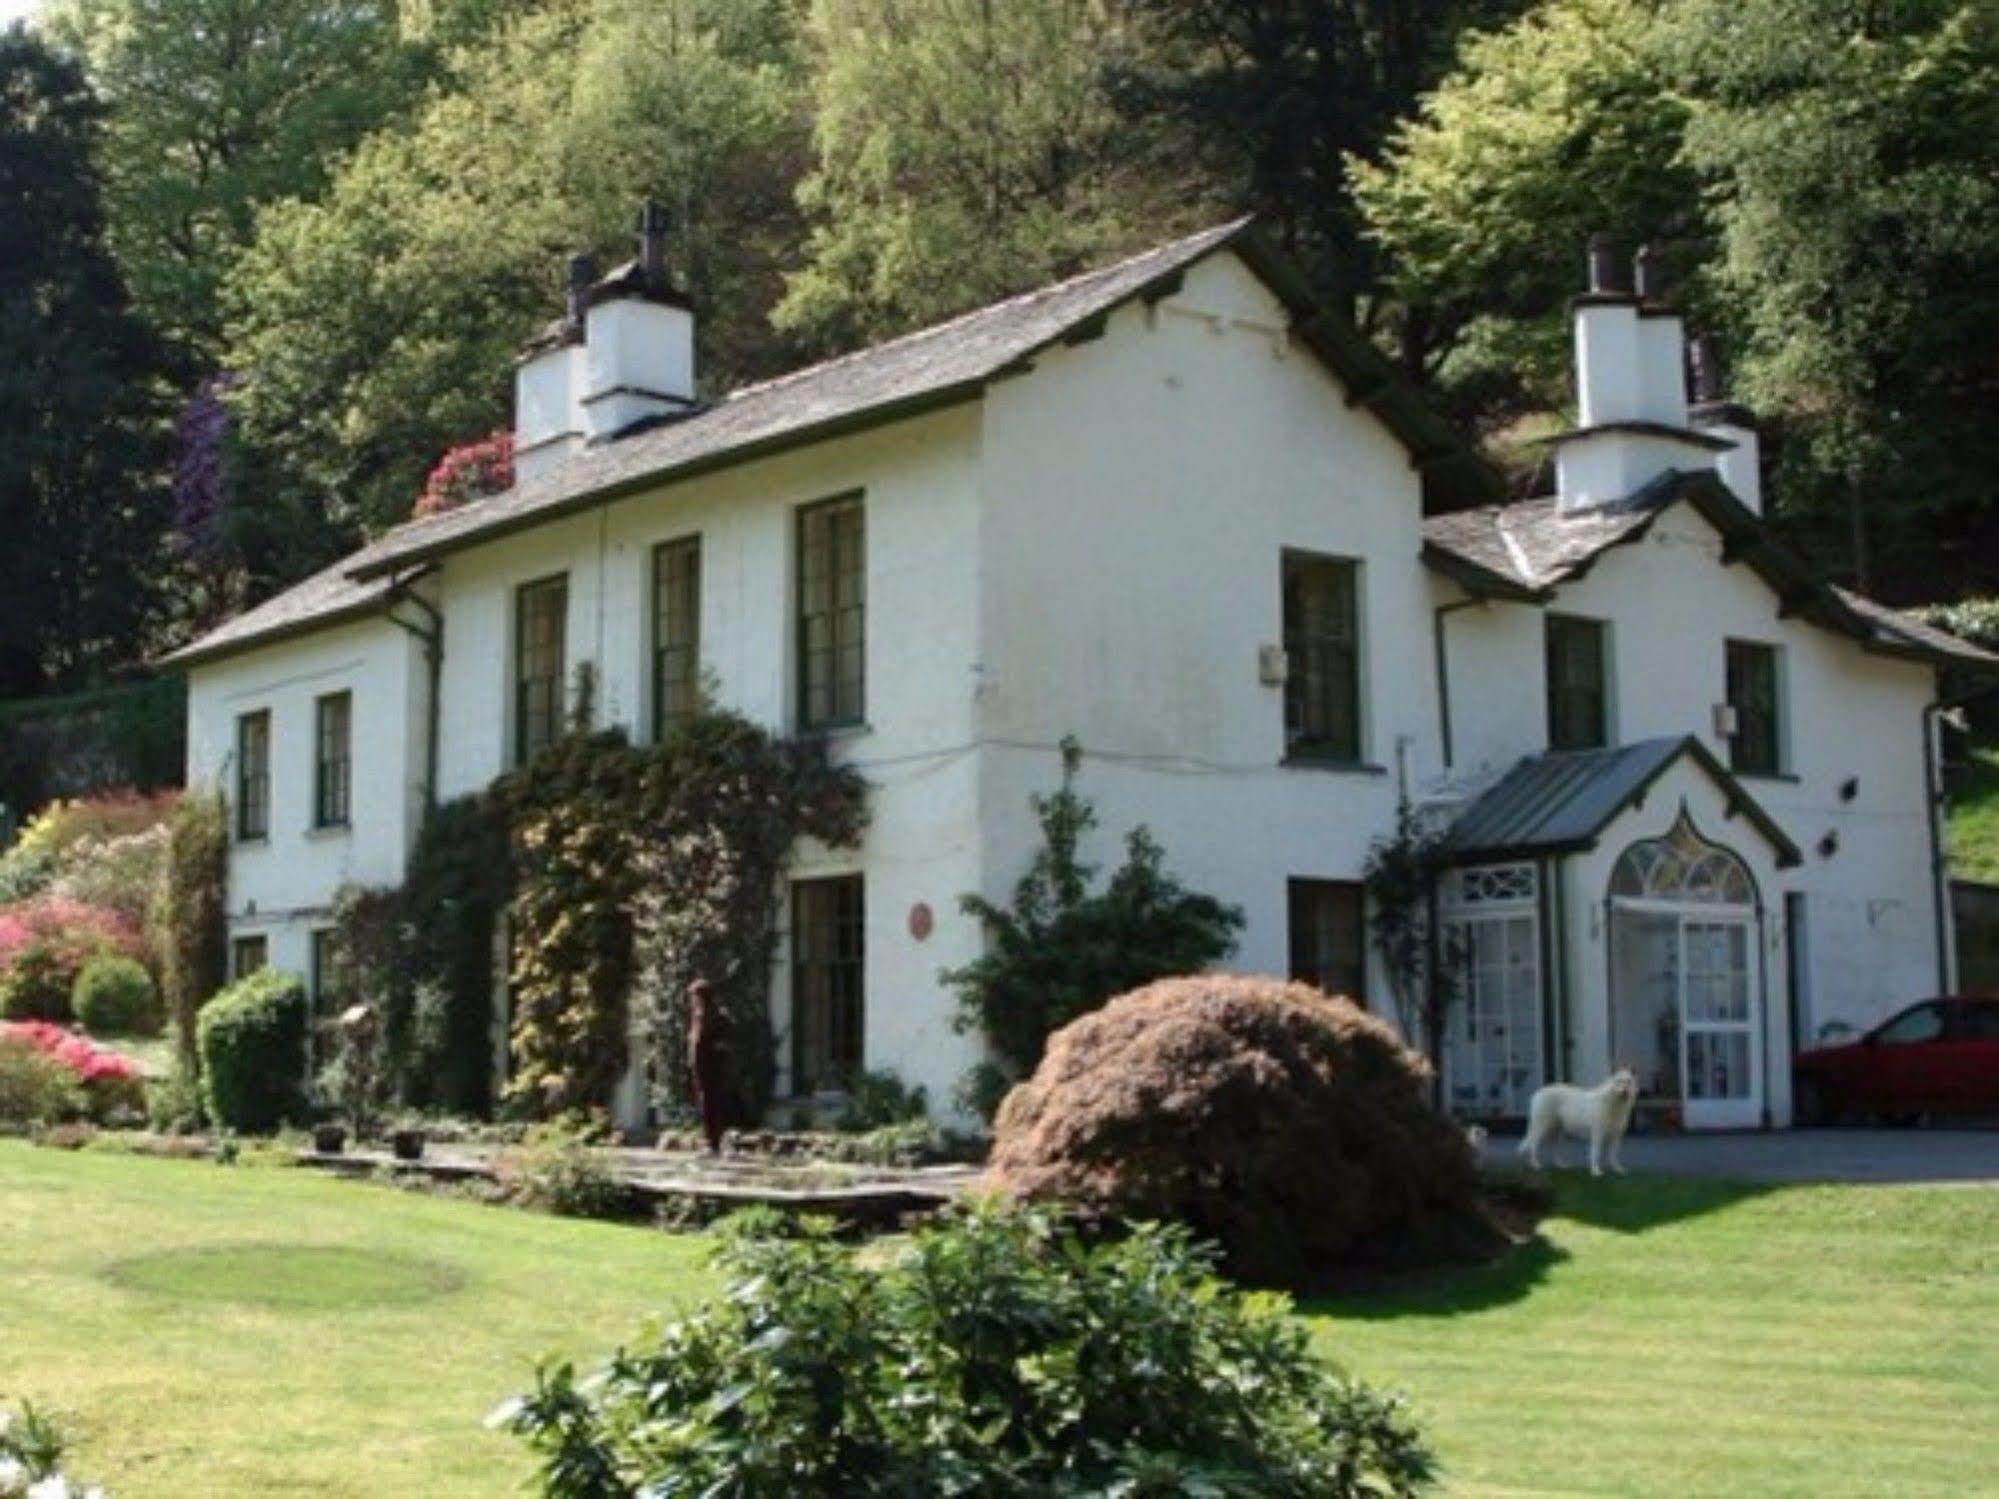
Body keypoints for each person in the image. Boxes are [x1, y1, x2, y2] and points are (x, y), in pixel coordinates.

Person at [687, 979, 726, 1153]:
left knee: (711, 1102)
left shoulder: (714, 1016)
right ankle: (708, 1139)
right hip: (700, 1066)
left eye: (695, 997)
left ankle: (714, 1141)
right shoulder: (698, 1015)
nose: (693, 1001)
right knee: (705, 1102)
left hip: (711, 1066)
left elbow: (720, 1041)